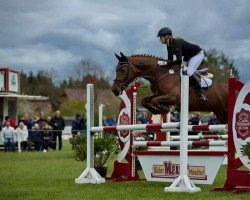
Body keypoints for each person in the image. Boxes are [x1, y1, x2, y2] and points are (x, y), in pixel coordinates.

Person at [157, 27, 207, 101]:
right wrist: (163, 65)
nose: (160, 39)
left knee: (189, 73)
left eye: (161, 37)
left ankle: (200, 92)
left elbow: (179, 61)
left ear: (167, 36)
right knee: (180, 72)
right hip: (188, 57)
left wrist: (164, 63)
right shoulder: (168, 45)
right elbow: (170, 60)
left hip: (197, 55)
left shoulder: (176, 42)